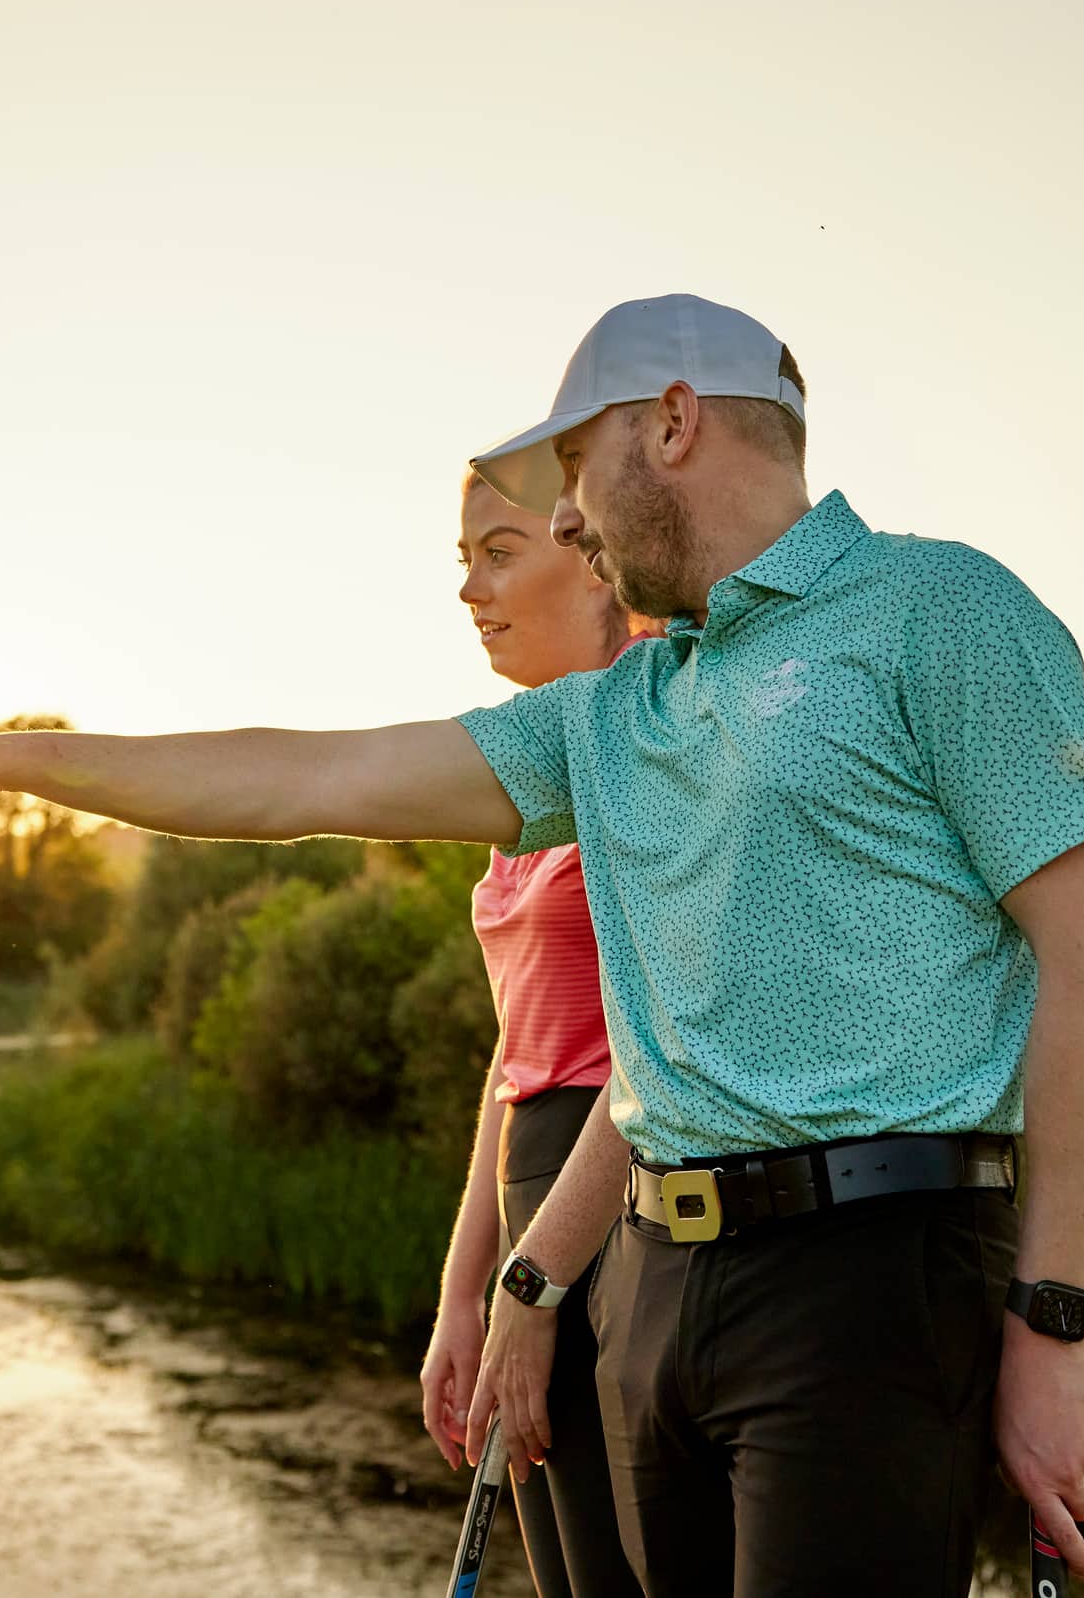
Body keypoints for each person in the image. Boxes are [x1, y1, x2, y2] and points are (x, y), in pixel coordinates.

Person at [0, 293, 1084, 1597]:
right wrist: (4, 760)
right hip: (660, 1283)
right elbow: (309, 781)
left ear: (671, 423)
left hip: (875, 1275)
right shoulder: (616, 714)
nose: (570, 522)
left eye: (576, 475)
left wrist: (1055, 1323)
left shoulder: (941, 610)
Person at [421, 469, 649, 1597]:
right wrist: (464, 1292)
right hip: (529, 1196)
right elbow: (512, 1060)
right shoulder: (521, 794)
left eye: (499, 551)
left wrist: (539, 1280)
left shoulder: (652, 753)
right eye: (462, 558)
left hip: (619, 1204)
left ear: (588, 549)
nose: (470, 588)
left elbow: (658, 1055)